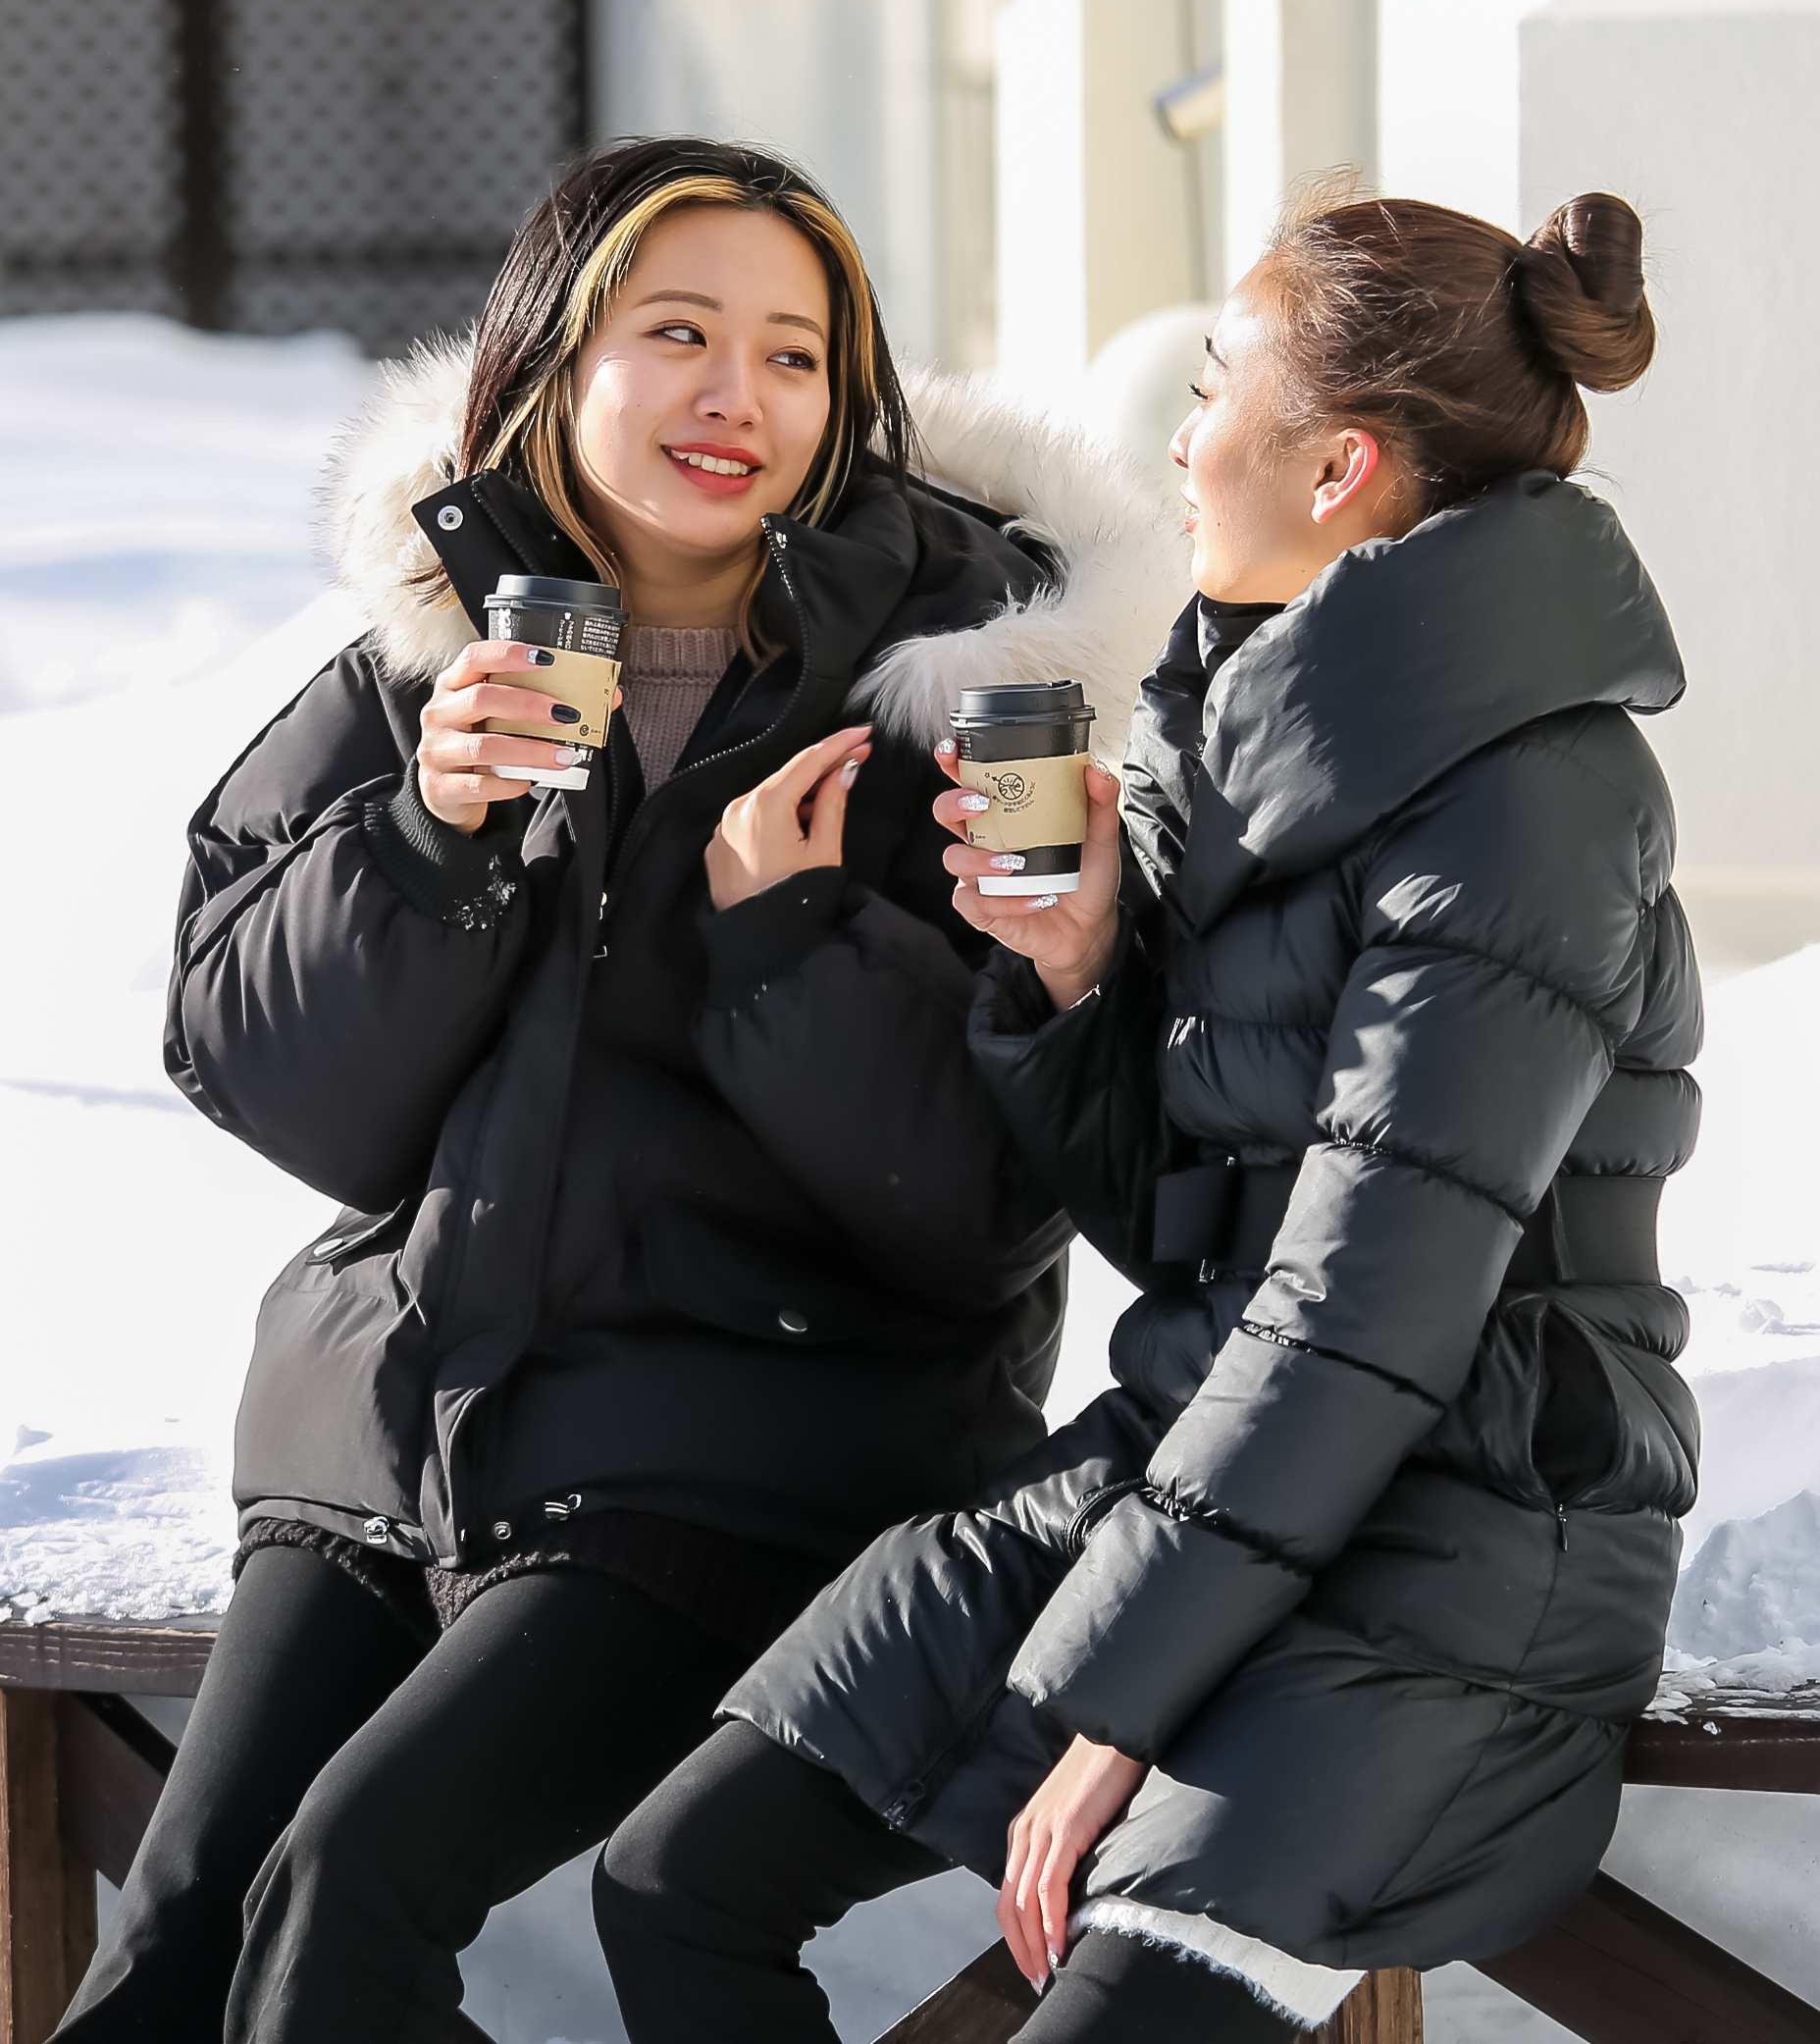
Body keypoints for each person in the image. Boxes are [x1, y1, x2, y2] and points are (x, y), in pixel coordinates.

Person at [62, 138, 1181, 2039]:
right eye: (677, 332)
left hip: (752, 1444)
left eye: (795, 352)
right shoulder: (421, 672)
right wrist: (432, 838)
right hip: (394, 1430)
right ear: (547, 363)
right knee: (175, 1943)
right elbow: (277, 1086)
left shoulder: (964, 700)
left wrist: (788, 935)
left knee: (348, 1894)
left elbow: (985, 1206)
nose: (736, 394)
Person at [594, 187, 1702, 2042]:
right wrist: (1077, 977)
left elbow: (1372, 1304)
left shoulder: (1533, 806)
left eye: (1211, 389)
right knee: (682, 1883)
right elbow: (1189, 1228)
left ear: (1341, 466)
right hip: (1215, 1467)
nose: (1177, 441)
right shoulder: (1260, 725)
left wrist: (1118, 1699)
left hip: (1471, 1554)